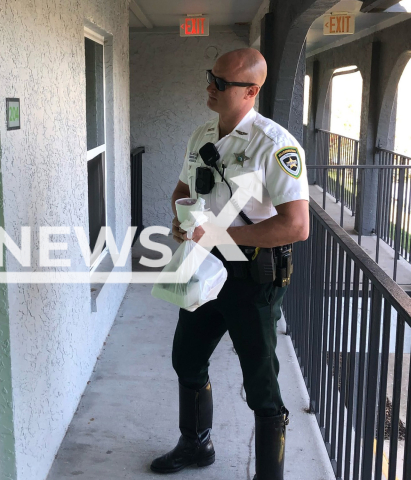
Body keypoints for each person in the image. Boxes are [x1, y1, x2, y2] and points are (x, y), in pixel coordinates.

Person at [150, 48, 310, 480]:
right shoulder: (202, 131)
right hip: (204, 269)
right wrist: (184, 220)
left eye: (221, 83)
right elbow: (182, 189)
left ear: (251, 91)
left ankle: (268, 475)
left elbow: (296, 226)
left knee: (261, 385)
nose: (210, 87)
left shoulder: (275, 144)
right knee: (186, 358)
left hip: (253, 278)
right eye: (211, 77)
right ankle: (196, 444)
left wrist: (218, 234)